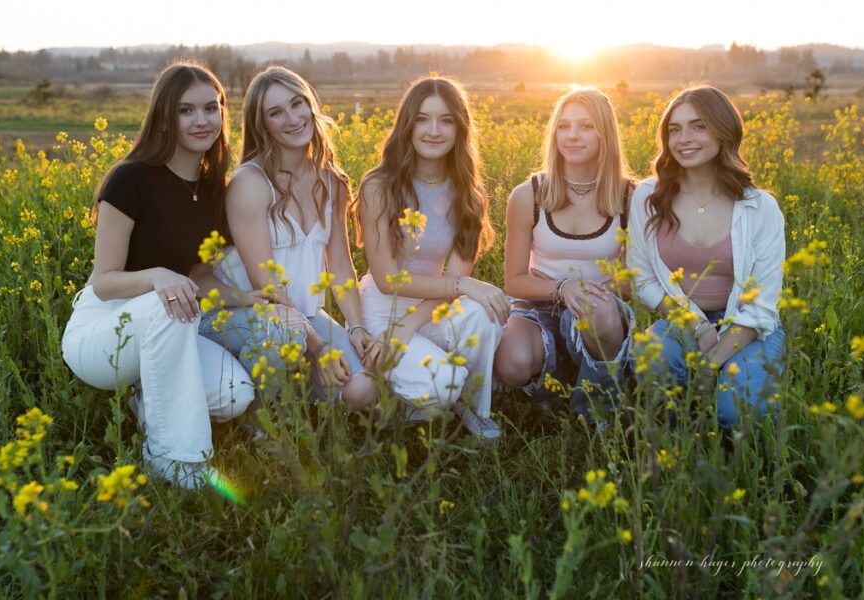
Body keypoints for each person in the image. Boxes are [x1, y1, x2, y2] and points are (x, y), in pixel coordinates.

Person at [61, 62, 255, 489]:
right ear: (165, 116)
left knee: (234, 394)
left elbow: (199, 278)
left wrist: (249, 299)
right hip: (103, 330)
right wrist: (157, 277)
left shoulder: (212, 191)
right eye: (186, 110)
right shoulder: (130, 180)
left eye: (210, 108)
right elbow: (104, 280)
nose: (201, 120)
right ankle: (176, 462)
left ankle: (145, 393)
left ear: (224, 112)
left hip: (169, 324)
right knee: (169, 303)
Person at [201, 67, 378, 410]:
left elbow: (340, 265)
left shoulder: (331, 181)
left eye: (298, 104)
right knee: (283, 334)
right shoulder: (250, 183)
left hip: (306, 316)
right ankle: (259, 423)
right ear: (261, 125)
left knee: (364, 392)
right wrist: (321, 349)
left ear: (311, 106)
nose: (293, 118)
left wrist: (356, 328)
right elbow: (265, 287)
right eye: (276, 112)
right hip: (246, 317)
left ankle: (297, 392)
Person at [353, 76, 508, 439]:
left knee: (486, 314)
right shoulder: (379, 186)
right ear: (407, 125)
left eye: (446, 120)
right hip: (382, 308)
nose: (433, 130)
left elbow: (454, 284)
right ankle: (405, 394)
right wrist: (462, 285)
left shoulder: (469, 195)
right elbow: (387, 280)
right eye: (422, 119)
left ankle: (472, 407)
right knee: (440, 385)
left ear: (460, 127)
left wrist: (408, 325)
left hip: (432, 308)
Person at [627, 86, 786, 429]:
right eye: (675, 129)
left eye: (699, 126)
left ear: (723, 130)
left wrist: (711, 362)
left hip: (748, 325)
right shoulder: (647, 198)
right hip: (683, 319)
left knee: (737, 413)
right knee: (648, 364)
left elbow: (764, 304)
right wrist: (697, 326)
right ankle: (676, 432)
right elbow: (643, 280)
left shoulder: (759, 208)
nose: (684, 138)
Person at [494, 87, 635, 416]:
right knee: (511, 363)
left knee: (597, 313)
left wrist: (585, 294)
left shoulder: (630, 197)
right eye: (564, 126)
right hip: (537, 303)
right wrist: (562, 288)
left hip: (599, 307)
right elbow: (514, 281)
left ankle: (596, 408)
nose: (572, 136)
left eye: (586, 127)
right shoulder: (527, 195)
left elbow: (632, 281)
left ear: (606, 134)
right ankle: (554, 390)